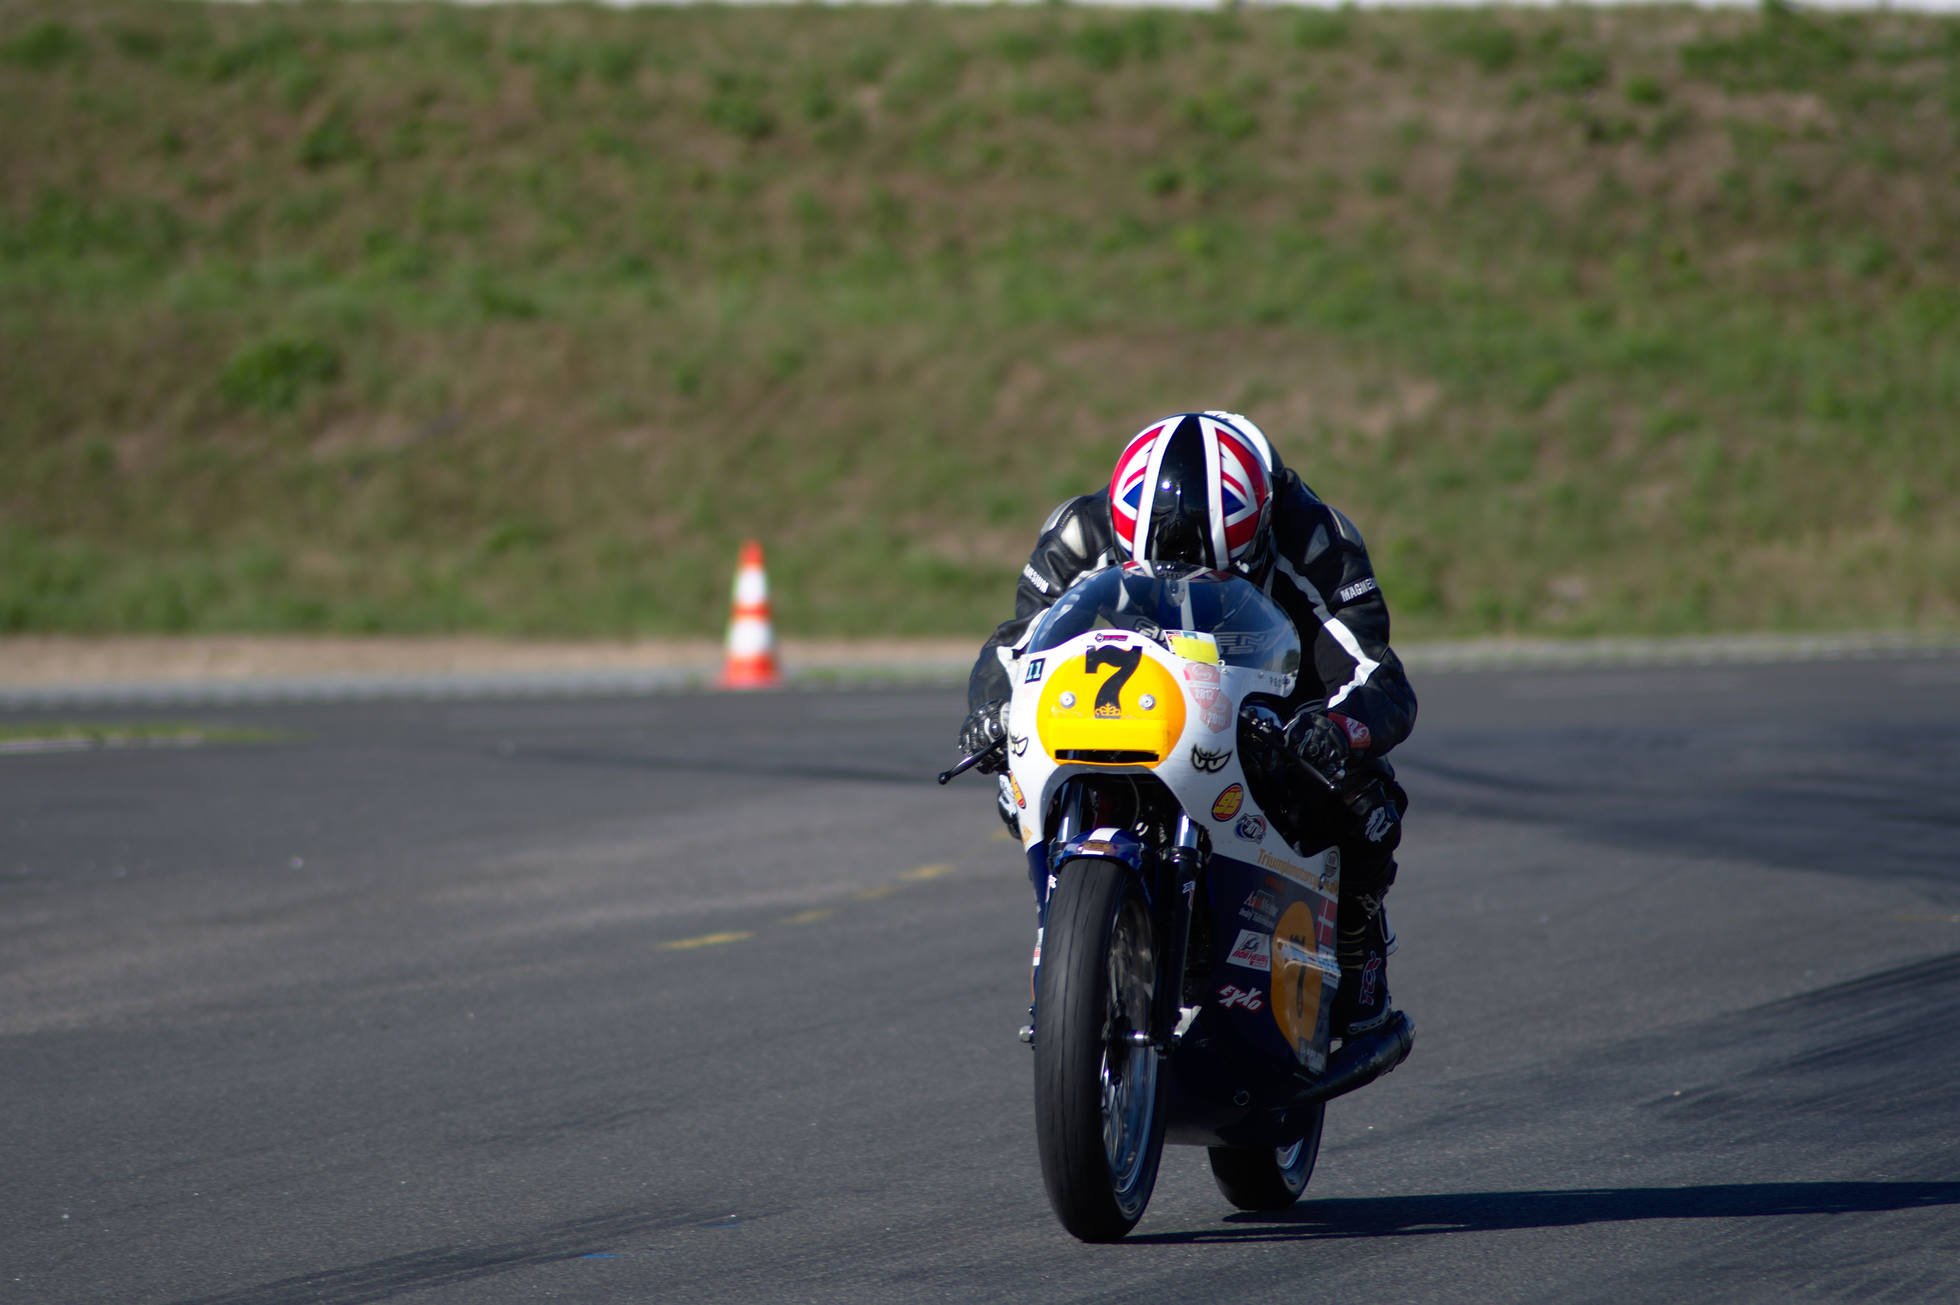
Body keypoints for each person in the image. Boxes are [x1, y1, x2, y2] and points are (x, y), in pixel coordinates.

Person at [957, 411, 1416, 1042]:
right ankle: (1069, 932)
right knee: (1013, 781)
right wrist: (990, 709)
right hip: (1140, 690)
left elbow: (1376, 669)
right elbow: (1019, 644)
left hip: (1275, 689)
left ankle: (1357, 943)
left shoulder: (1316, 538)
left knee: (1361, 795)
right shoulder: (1080, 533)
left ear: (1259, 529)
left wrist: (1335, 728)